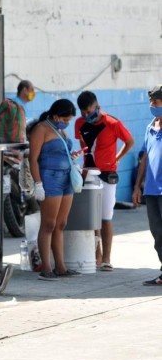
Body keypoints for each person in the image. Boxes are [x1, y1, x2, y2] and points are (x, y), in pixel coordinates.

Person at [75, 91, 134, 271]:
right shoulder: (79, 123)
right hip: (88, 173)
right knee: (92, 218)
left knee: (106, 217)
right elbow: (81, 141)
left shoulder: (112, 123)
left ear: (97, 106)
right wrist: (87, 156)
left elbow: (129, 141)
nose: (86, 116)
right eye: (83, 112)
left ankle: (107, 258)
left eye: (89, 111)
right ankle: (96, 256)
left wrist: (117, 157)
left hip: (107, 174)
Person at [28, 99, 81, 281]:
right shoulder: (41, 129)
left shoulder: (60, 130)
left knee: (61, 223)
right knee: (48, 224)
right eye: (65, 119)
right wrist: (38, 183)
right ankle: (47, 267)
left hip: (66, 179)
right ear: (56, 115)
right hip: (49, 179)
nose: (67, 123)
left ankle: (61, 267)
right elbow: (32, 159)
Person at [132, 84, 162, 285]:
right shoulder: (150, 127)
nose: (152, 105)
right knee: (158, 234)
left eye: (156, 102)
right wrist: (137, 186)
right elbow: (144, 158)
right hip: (151, 190)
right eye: (151, 101)